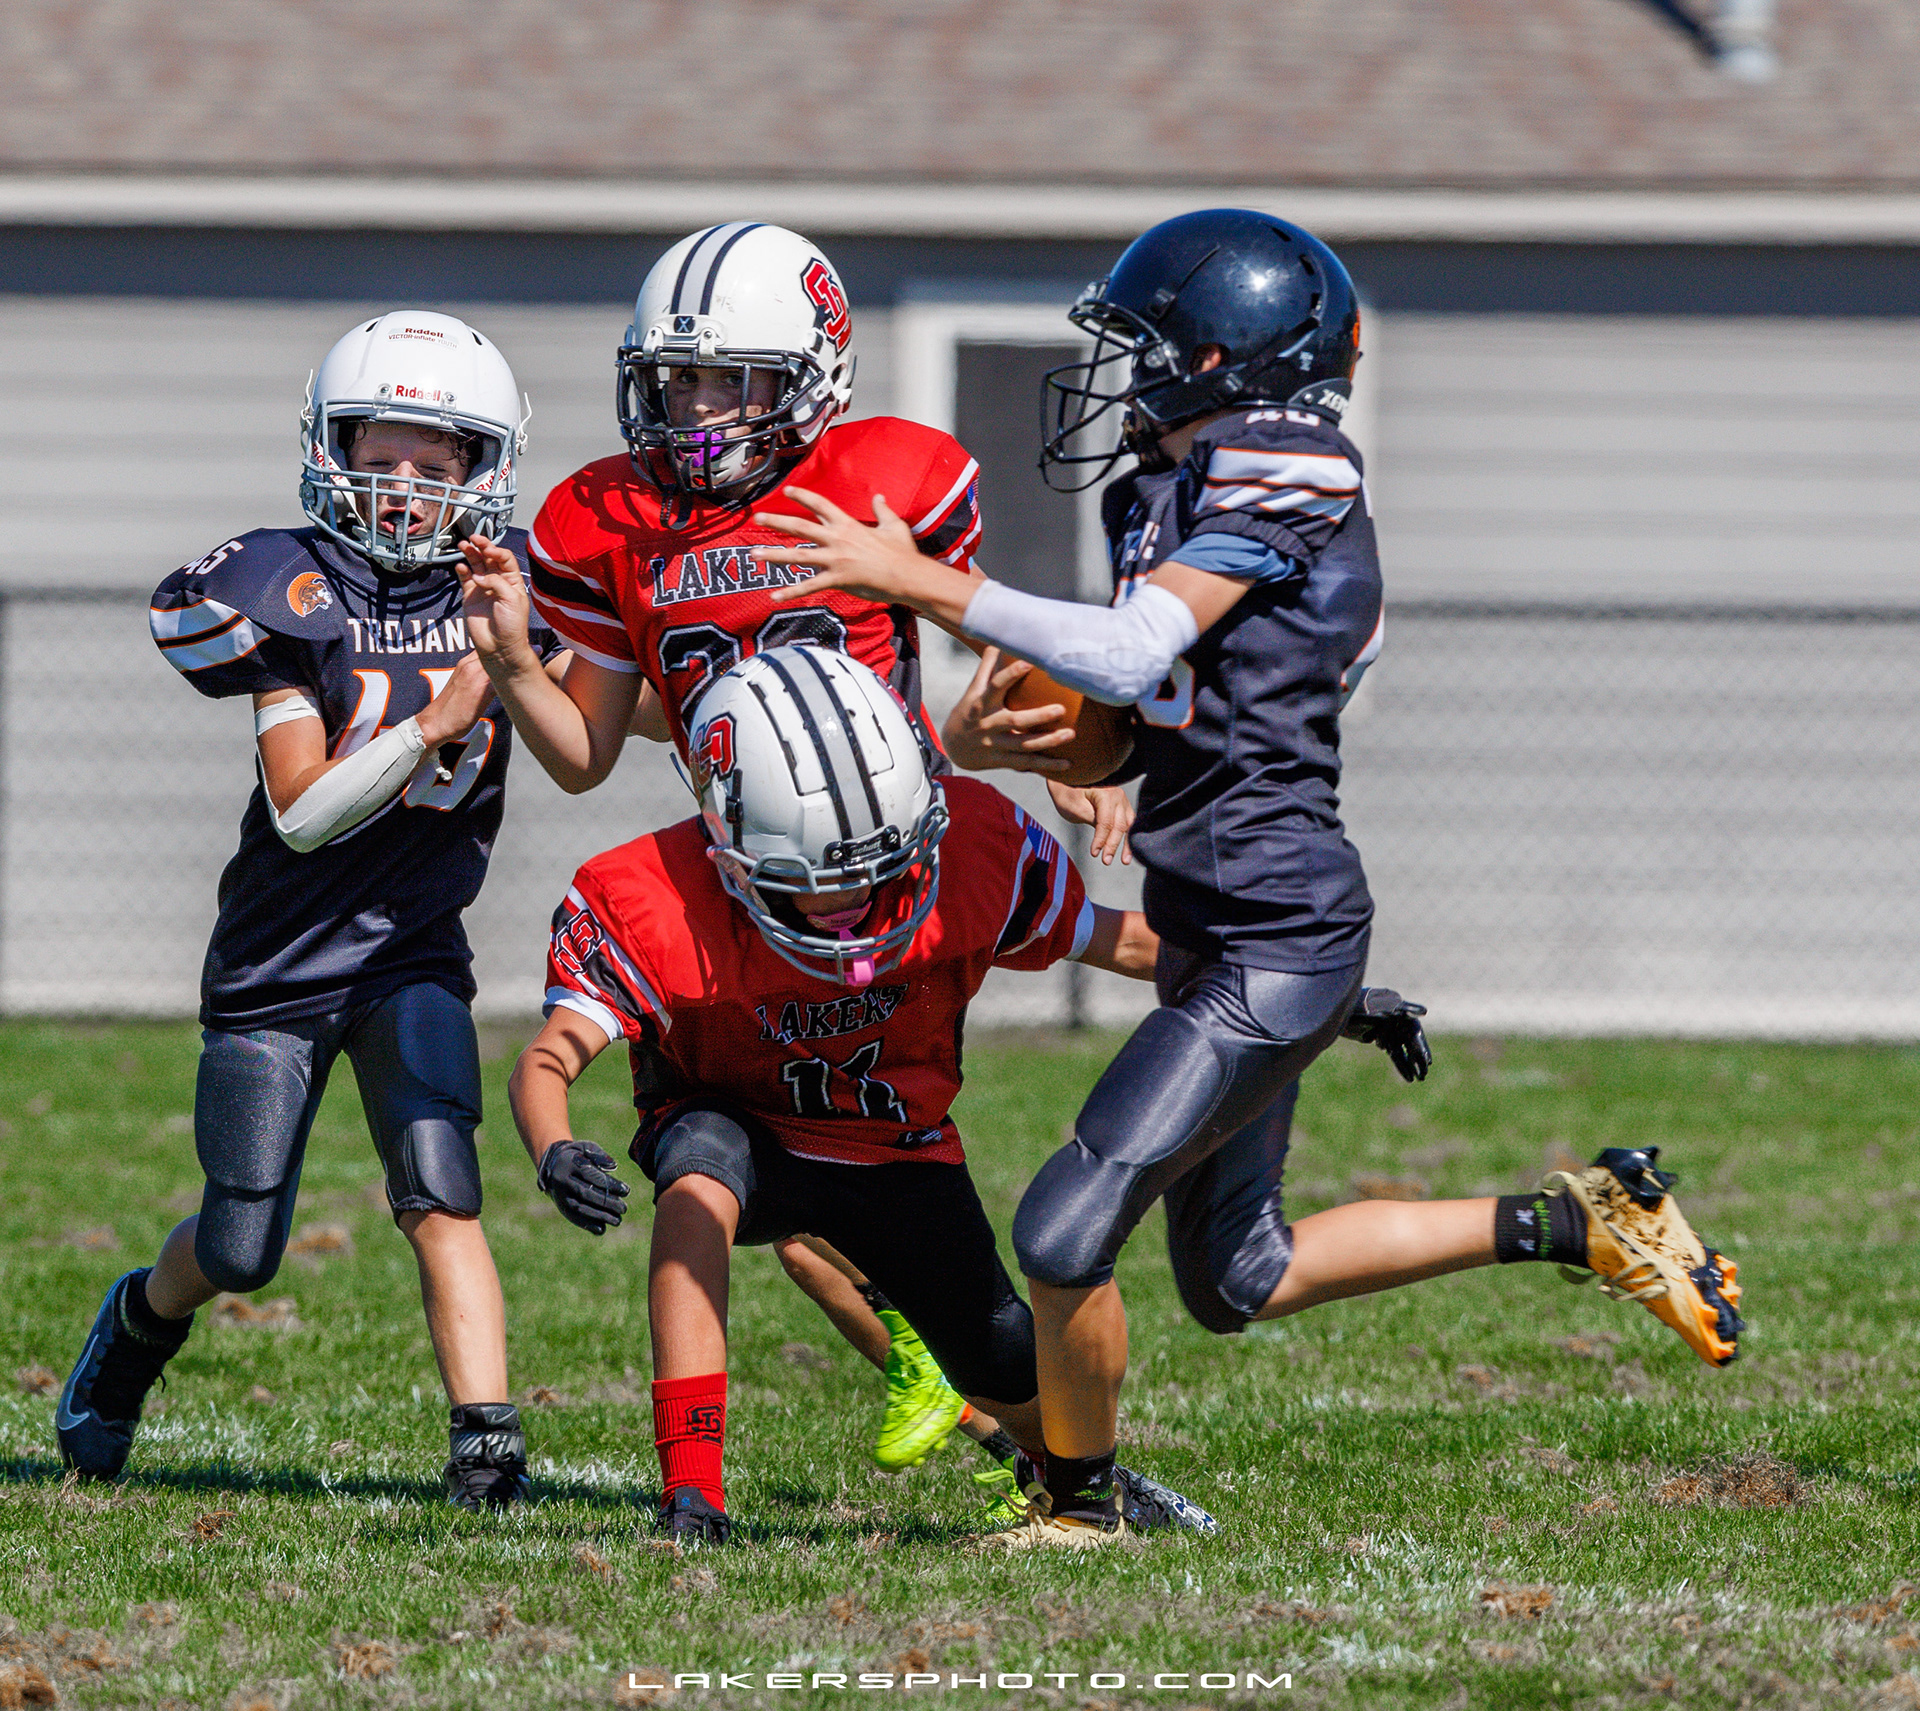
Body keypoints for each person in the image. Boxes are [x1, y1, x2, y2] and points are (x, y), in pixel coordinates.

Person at [747, 207, 1746, 1545]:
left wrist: (921, 581)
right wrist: (1006, 739)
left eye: (1146, 344)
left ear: (1222, 357)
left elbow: (1127, 649)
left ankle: (1083, 1511)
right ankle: (1584, 1222)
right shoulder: (1163, 490)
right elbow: (1139, 707)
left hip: (1276, 931)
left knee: (1061, 1230)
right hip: (1222, 928)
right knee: (1239, 1276)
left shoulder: (1292, 461)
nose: (1122, 374)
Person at [457, 221, 1130, 1475]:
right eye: (677, 381)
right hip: (752, 877)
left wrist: (1064, 748)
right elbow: (585, 751)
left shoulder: (882, 482)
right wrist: (508, 663)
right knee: (748, 1150)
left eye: (731, 381)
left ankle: (1033, 1432)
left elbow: (986, 636)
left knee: (887, 1163)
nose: (697, 410)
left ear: (815, 375)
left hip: (900, 866)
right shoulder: (608, 520)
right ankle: (785, 1452)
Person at [506, 645, 1213, 1543]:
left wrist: (1284, 977)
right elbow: (547, 1058)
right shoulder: (652, 897)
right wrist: (554, 1145)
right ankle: (692, 1494)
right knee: (699, 1175)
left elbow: (1120, 941)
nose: (855, 906)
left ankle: (1076, 1479)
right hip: (744, 1128)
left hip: (894, 1146)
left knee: (1002, 1359)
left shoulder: (972, 847)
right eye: (814, 881)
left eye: (879, 869)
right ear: (726, 845)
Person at [57, 311, 569, 1509]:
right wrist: (436, 721)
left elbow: (609, 703)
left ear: (484, 471)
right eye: (380, 456)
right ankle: (136, 1321)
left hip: (412, 947)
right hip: (278, 960)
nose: (405, 486)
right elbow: (298, 812)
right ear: (332, 451)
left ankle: (487, 1445)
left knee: (442, 1184)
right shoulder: (290, 589)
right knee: (241, 1245)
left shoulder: (513, 588)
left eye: (434, 462)